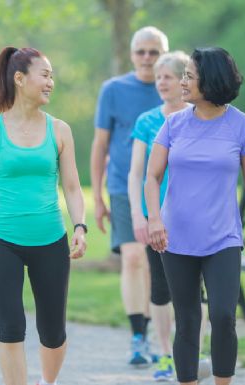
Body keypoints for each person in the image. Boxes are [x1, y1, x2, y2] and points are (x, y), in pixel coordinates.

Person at [0, 47, 87, 385]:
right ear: (20, 79)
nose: (51, 82)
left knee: (53, 331)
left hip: (51, 240)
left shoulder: (60, 130)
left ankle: (48, 382)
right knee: (12, 326)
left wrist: (80, 226)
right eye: (44, 75)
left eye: (51, 76)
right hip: (3, 241)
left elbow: (73, 187)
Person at [145, 47, 245, 385]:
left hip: (223, 238)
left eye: (189, 76)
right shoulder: (174, 124)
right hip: (176, 238)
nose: (182, 82)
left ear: (210, 82)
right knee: (187, 320)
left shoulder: (242, 125)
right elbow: (152, 177)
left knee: (224, 315)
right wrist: (154, 219)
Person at [128, 50, 210, 382]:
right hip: (157, 221)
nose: (161, 82)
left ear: (185, 81)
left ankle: (194, 352)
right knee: (161, 290)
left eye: (169, 76)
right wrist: (139, 213)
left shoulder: (202, 117)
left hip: (195, 221)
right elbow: (136, 174)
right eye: (158, 77)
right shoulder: (147, 121)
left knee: (194, 292)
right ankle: (165, 354)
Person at [90, 25, 168, 367]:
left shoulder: (174, 88)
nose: (147, 58)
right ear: (133, 54)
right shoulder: (113, 90)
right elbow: (100, 144)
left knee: (156, 263)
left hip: (167, 188)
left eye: (154, 52)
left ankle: (153, 332)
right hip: (124, 185)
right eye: (141, 52)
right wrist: (97, 197)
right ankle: (138, 335)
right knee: (134, 257)